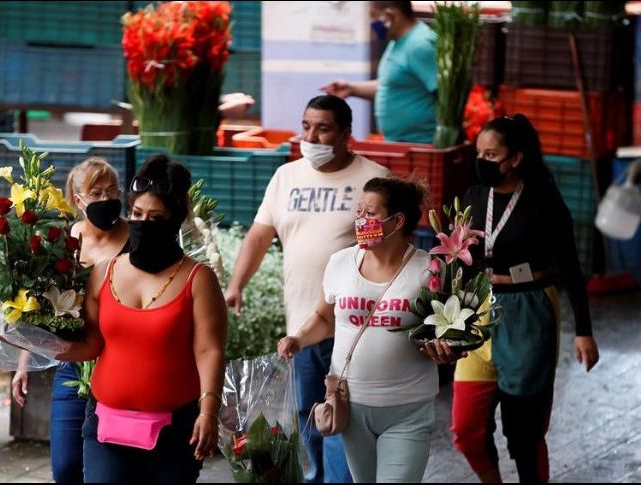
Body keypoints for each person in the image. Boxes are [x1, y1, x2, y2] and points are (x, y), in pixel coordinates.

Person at [224, 94, 390, 483]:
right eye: (306, 126)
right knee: (309, 416)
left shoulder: (374, 180)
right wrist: (236, 285)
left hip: (358, 326)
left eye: (324, 128)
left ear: (347, 133)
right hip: (304, 327)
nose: (311, 135)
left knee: (352, 418)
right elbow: (259, 236)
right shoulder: (287, 177)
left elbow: (388, 249)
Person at [55, 154, 228, 483]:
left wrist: (209, 411)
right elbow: (91, 344)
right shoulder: (105, 272)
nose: (143, 223)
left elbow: (209, 350)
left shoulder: (198, 279)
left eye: (156, 217)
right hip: (106, 427)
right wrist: (30, 338)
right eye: (136, 213)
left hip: (175, 431)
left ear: (175, 220)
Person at [278, 176, 460, 483]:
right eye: (359, 211)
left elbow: (446, 331)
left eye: (370, 213)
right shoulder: (339, 263)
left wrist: (447, 350)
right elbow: (325, 318)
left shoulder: (429, 269)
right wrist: (298, 338)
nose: (360, 219)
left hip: (407, 409)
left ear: (397, 220)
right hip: (350, 405)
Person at [452, 114, 600, 483]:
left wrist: (584, 330)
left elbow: (570, 265)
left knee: (524, 433)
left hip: (529, 308)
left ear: (516, 158)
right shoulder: (474, 196)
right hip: (479, 307)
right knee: (466, 430)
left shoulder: (543, 200)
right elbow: (459, 259)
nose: (483, 161)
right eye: (479, 153)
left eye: (492, 154)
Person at [11, 157, 129, 484]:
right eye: (96, 192)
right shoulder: (63, 241)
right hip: (72, 364)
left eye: (111, 191)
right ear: (78, 200)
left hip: (120, 365)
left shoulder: (136, 239)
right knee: (64, 467)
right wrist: (24, 363)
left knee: (108, 469)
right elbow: (40, 308)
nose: (106, 200)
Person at [321, 1, 437, 144]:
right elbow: (392, 86)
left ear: (391, 14)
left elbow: (446, 94)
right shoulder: (397, 41)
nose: (371, 23)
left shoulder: (420, 45)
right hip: (399, 143)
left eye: (374, 16)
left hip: (422, 144)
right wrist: (351, 89)